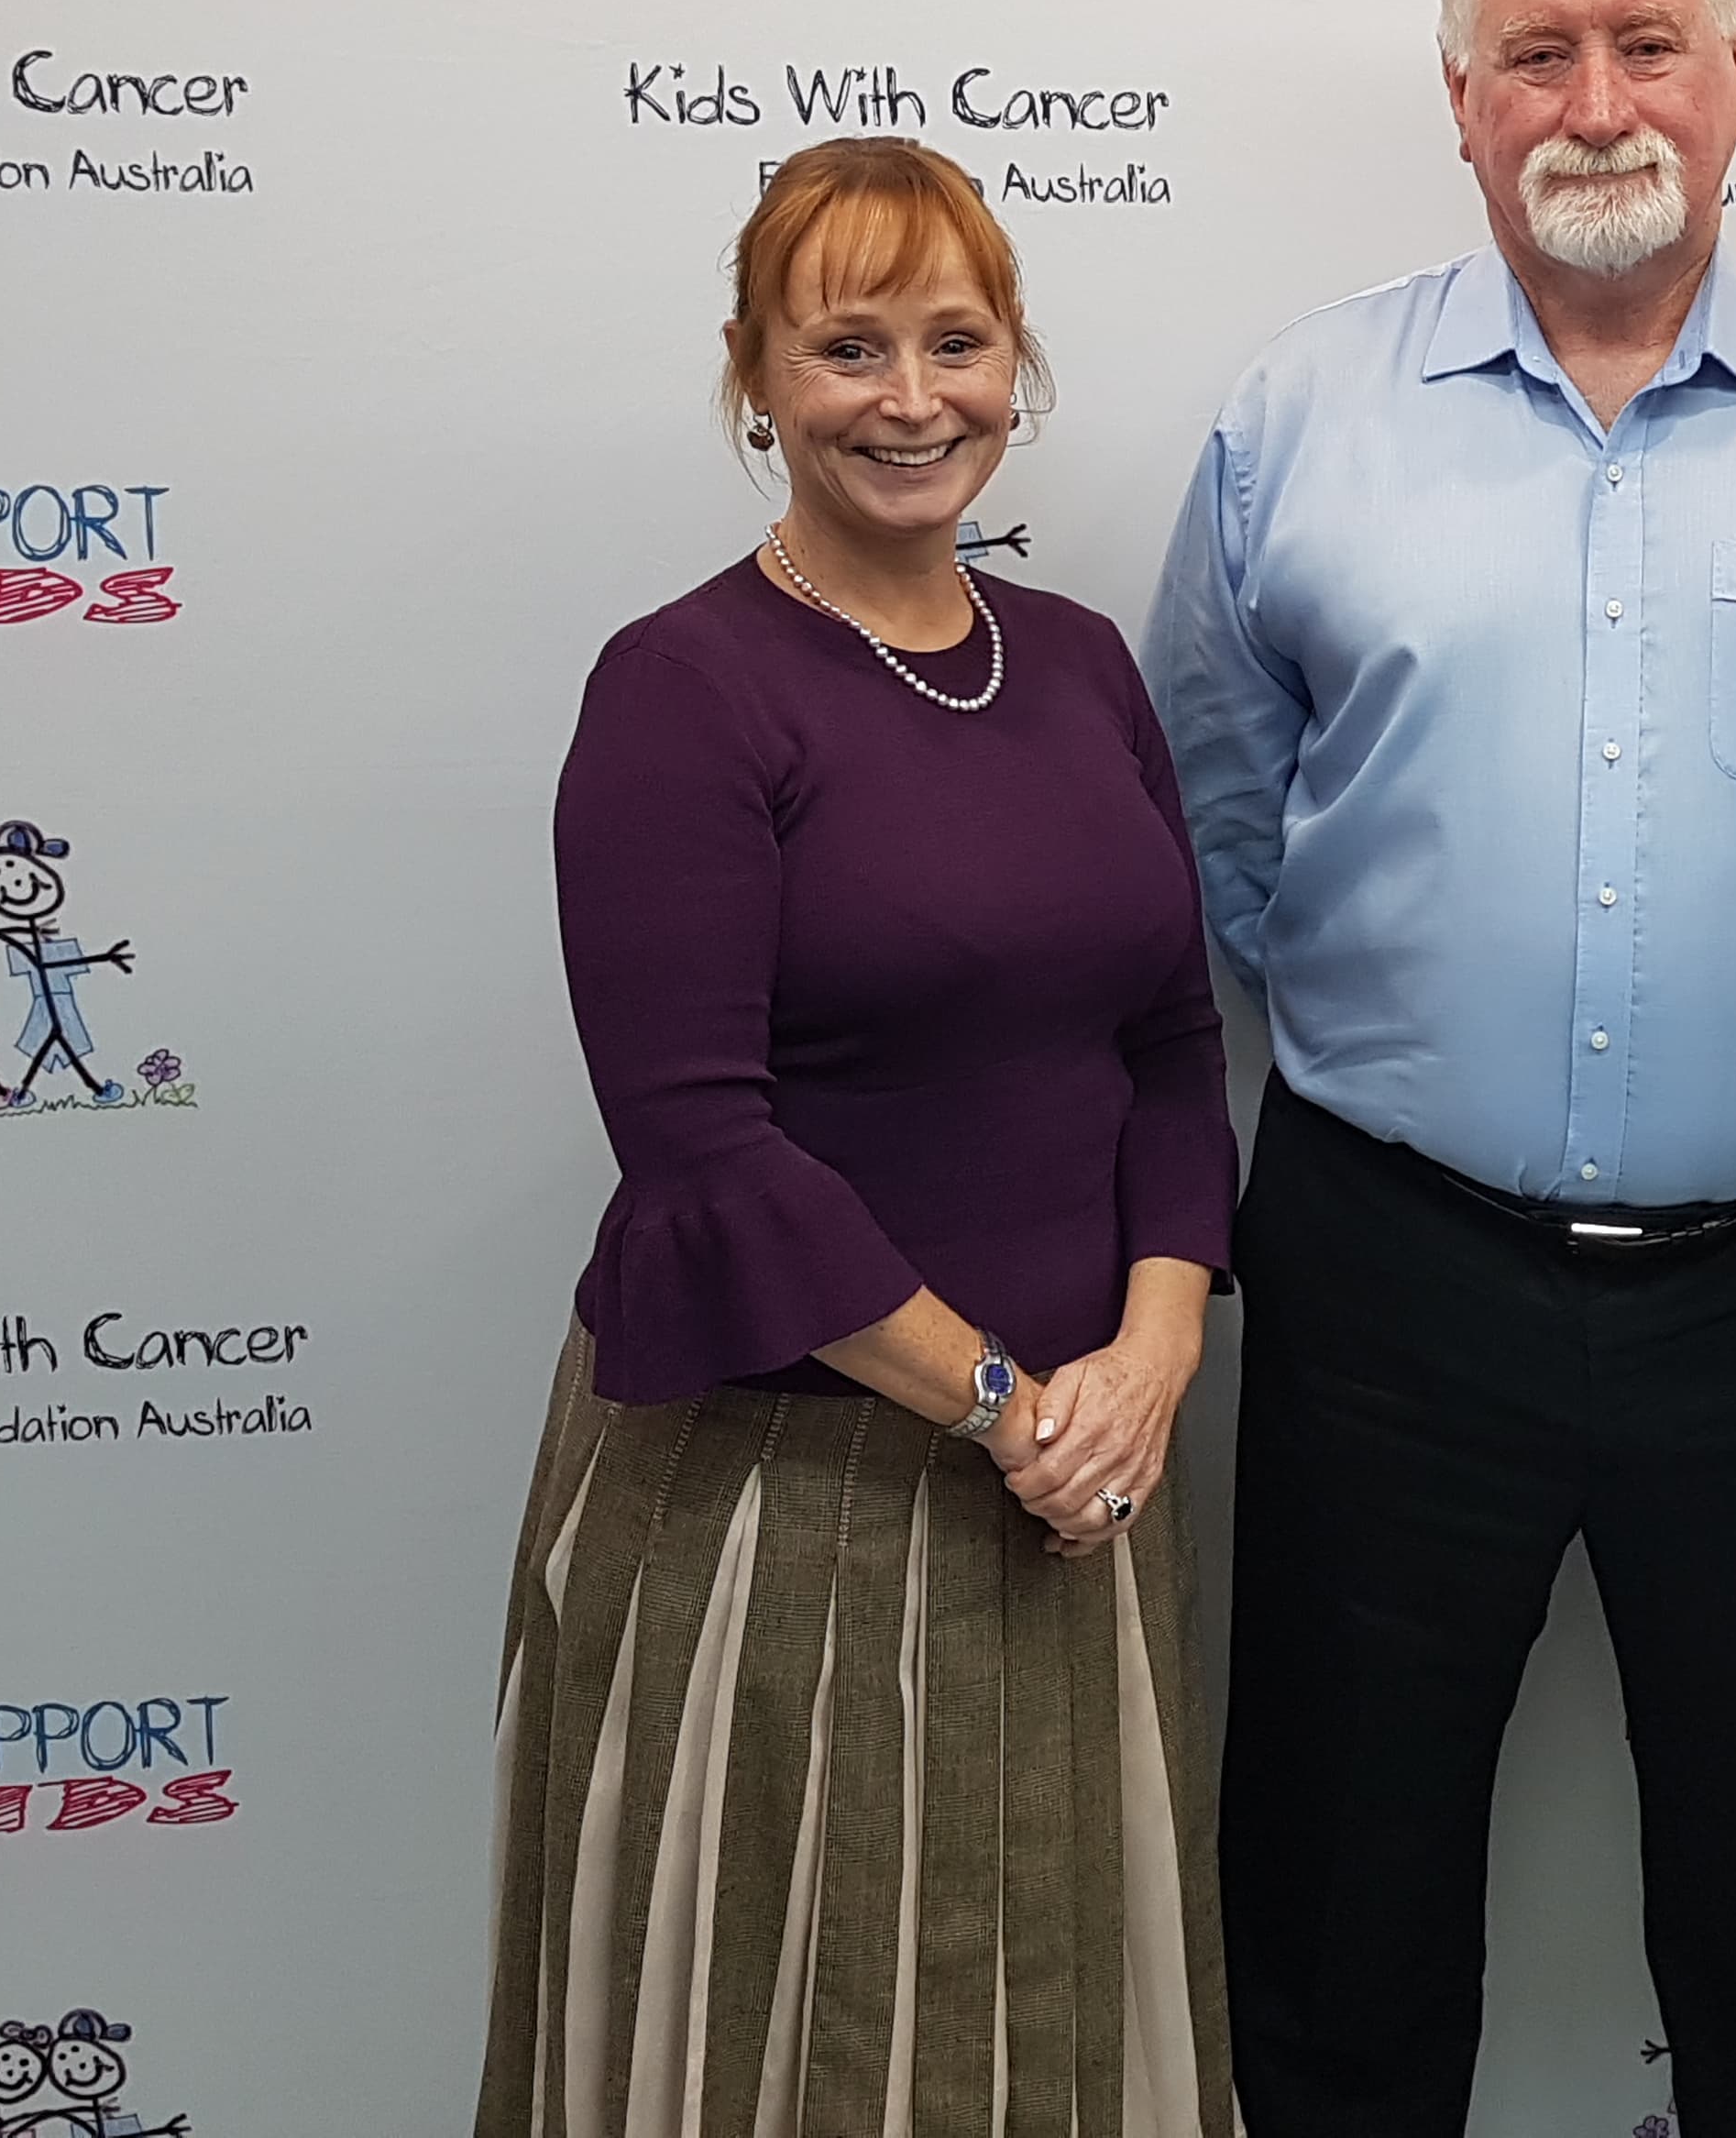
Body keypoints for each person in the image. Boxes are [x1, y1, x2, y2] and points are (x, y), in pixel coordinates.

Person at [1143, 0, 1736, 2138]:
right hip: (1394, 1281)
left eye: (1647, 42)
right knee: (1341, 1921)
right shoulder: (1297, 422)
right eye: (1538, 51)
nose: (1596, 98)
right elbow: (1218, 819)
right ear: (1459, 97)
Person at [478, 138, 1237, 2138]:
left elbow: (1170, 1040)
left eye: (957, 340)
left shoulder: (1073, 663)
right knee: (785, 2044)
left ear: (1017, 364)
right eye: (846, 347)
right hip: (790, 1500)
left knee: (1061, 2019)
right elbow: (704, 1156)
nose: (912, 397)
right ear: (753, 377)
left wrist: (1151, 1360)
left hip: (1090, 1487)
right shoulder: (683, 693)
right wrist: (1006, 1413)